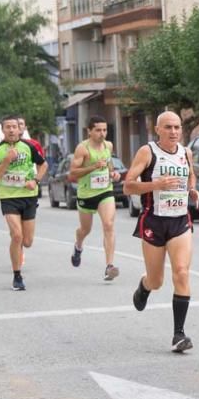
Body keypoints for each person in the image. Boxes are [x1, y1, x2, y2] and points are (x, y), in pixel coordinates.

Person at [123, 111, 199, 353]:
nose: (174, 132)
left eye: (177, 127)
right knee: (157, 280)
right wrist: (155, 185)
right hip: (153, 221)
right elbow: (127, 186)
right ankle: (144, 287)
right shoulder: (148, 152)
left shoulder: (186, 152)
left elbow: (191, 175)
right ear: (158, 129)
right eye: (168, 127)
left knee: (181, 272)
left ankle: (179, 334)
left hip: (179, 221)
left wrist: (193, 190)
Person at [0, 115, 47, 291]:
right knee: (16, 235)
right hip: (8, 197)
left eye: (14, 126)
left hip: (28, 196)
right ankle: (17, 276)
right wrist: (6, 160)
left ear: (20, 129)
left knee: (27, 241)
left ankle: (19, 244)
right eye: (8, 127)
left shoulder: (29, 147)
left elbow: (43, 165)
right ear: (3, 130)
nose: (12, 130)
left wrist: (35, 181)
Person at [69, 115, 121, 281]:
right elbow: (72, 173)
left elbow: (109, 165)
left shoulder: (108, 145)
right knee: (85, 230)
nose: (102, 133)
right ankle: (78, 246)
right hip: (86, 194)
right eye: (98, 130)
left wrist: (113, 173)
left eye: (104, 130)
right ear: (89, 131)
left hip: (105, 191)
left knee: (108, 224)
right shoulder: (82, 149)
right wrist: (92, 167)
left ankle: (109, 266)